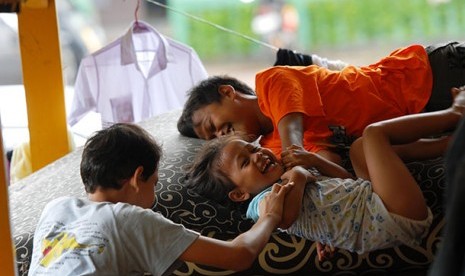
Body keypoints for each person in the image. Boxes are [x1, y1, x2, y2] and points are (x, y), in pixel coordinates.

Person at [183, 88, 465, 257]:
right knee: (375, 134)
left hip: (374, 200)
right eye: (245, 163)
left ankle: (449, 143)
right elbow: (284, 217)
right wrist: (301, 174)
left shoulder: (287, 178)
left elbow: (347, 180)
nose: (259, 156)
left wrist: (313, 163)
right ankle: (455, 113)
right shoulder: (261, 203)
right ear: (239, 193)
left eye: (252, 149)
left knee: (360, 147)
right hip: (392, 216)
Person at [27, 123, 294, 276]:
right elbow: (239, 255)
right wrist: (269, 216)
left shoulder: (55, 208)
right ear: (136, 177)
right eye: (154, 183)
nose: (153, 197)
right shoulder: (131, 218)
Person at [178, 41, 465, 170]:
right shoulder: (268, 146)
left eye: (211, 125)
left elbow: (291, 122)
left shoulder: (271, 81)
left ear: (228, 92)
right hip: (421, 119)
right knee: (361, 148)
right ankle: (452, 141)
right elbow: (329, 159)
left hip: (425, 75)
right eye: (212, 139)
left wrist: (295, 153)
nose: (219, 135)